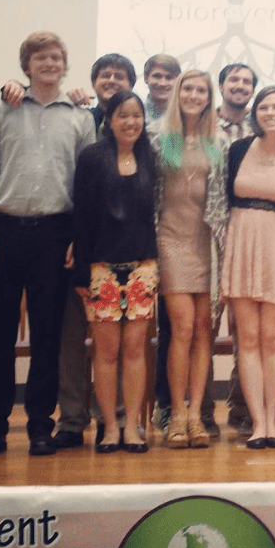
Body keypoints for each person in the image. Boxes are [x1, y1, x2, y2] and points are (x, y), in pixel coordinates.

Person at [2, 53, 138, 449]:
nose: (111, 81)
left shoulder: (140, 130)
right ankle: (74, 420)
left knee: (121, 345)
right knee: (71, 337)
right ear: (92, 82)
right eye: (104, 75)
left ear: (131, 84)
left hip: (127, 255)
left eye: (120, 76)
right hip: (75, 247)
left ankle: (118, 420)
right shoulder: (79, 116)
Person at [0, 31, 96, 457]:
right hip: (4, 231)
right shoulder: (2, 111)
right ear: (27, 66)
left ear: (64, 65)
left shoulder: (80, 117)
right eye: (40, 57)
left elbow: (86, 185)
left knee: (47, 337)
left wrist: (79, 238)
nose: (49, 63)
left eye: (56, 57)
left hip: (55, 235)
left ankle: (41, 427)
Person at [73, 91, 158, 453]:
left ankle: (133, 427)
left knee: (136, 350)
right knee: (105, 353)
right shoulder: (92, 157)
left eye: (137, 115)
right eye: (123, 115)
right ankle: (109, 427)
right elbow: (80, 217)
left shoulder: (151, 157)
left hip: (143, 267)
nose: (131, 122)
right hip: (100, 268)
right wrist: (81, 274)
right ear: (109, 120)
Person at [149, 69, 229, 449]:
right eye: (188, 88)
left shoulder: (219, 141)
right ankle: (176, 413)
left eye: (201, 90)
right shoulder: (158, 138)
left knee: (203, 331)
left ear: (209, 97)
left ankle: (196, 414)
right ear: (177, 93)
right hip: (170, 240)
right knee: (180, 328)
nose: (194, 95)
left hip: (207, 244)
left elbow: (223, 200)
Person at [222, 86, 275, 448]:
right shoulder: (237, 149)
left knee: (273, 339)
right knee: (248, 340)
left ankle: (274, 420)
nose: (270, 113)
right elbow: (225, 199)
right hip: (242, 242)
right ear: (255, 113)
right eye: (264, 107)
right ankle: (258, 424)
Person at [215, 62, 259, 435]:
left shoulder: (262, 129)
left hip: (250, 234)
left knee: (245, 329)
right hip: (203, 235)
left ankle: (243, 406)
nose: (240, 86)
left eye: (247, 81)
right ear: (221, 85)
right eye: (234, 79)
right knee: (197, 327)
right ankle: (190, 410)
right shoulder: (197, 125)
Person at [143, 53, 181, 124]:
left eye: (169, 77)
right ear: (146, 78)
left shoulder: (187, 116)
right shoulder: (135, 113)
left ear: (178, 81)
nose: (162, 83)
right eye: (157, 76)